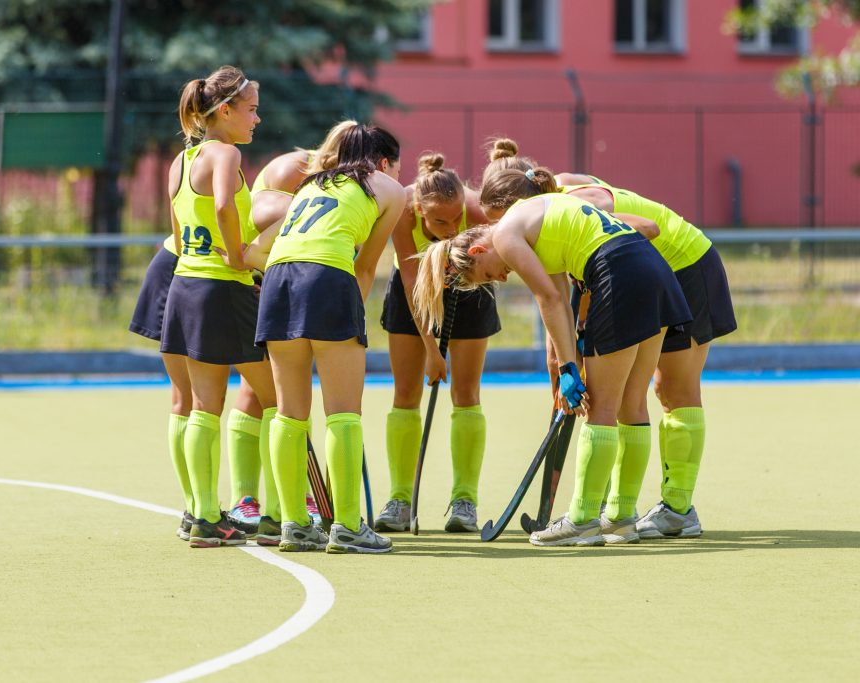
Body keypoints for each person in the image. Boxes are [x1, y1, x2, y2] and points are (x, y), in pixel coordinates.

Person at [414, 165, 691, 547]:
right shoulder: (539, 214)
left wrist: (568, 369)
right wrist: (569, 363)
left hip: (620, 273)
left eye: (490, 275)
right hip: (653, 269)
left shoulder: (507, 233)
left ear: (478, 250)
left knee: (602, 408)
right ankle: (622, 517)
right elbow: (559, 299)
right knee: (632, 403)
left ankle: (581, 520)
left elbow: (548, 299)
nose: (503, 277)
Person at [554, 172, 737, 539]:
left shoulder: (571, 205)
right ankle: (617, 508)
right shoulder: (556, 193)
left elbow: (647, 228)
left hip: (683, 264)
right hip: (648, 272)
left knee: (674, 390)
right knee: (630, 393)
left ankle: (678, 510)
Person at [255, 124, 406, 553]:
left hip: (279, 279)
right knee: (343, 413)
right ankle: (347, 526)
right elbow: (366, 266)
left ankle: (295, 525)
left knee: (289, 414)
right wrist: (350, 319)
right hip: (327, 277)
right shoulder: (389, 188)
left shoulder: (308, 184)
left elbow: (264, 248)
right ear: (381, 161)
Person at [160, 65, 277, 548]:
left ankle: (203, 515)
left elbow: (174, 221)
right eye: (250, 110)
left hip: (185, 285)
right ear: (224, 111)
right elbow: (227, 207)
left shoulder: (180, 160)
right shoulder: (224, 153)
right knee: (282, 403)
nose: (257, 119)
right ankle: (284, 513)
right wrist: (237, 255)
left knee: (203, 408)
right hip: (223, 289)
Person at [226, 120, 358, 534]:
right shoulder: (293, 171)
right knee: (263, 391)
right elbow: (255, 223)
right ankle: (254, 500)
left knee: (264, 390)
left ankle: (281, 503)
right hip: (251, 275)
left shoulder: (348, 186)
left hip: (277, 277)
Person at [375, 152, 499, 534]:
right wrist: (432, 351)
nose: (449, 229)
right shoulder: (404, 211)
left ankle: (465, 501)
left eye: (454, 218)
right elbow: (415, 285)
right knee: (406, 393)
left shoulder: (475, 212)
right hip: (413, 294)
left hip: (471, 287)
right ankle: (399, 499)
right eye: (439, 221)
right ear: (419, 210)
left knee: (466, 393)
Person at [128, 235, 198, 541]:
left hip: (189, 267)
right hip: (186, 269)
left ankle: (201, 509)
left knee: (192, 398)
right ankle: (198, 509)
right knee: (190, 398)